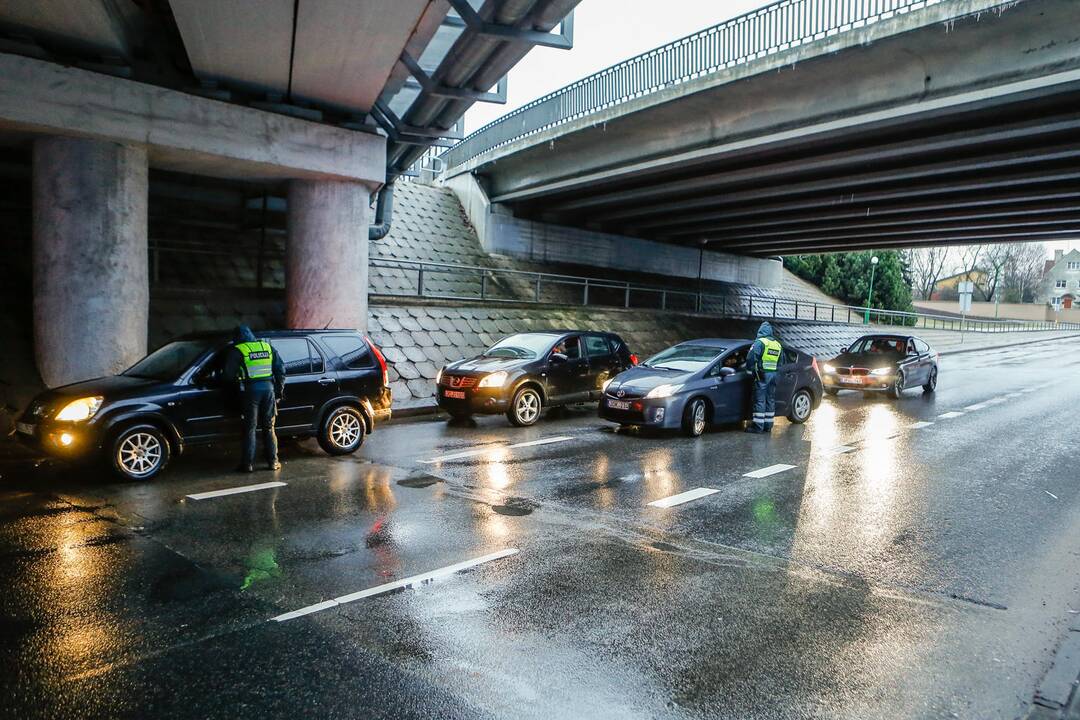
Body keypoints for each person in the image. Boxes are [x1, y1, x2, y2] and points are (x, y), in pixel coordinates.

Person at [223, 325, 285, 472]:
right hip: (268, 390)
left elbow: (227, 376)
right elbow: (280, 371)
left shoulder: (238, 350)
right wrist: (279, 392)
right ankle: (273, 462)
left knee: (250, 428)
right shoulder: (267, 347)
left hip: (250, 391)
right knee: (269, 427)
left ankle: (247, 464)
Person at [745, 321, 783, 434]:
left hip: (762, 375)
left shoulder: (760, 342)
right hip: (774, 375)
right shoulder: (777, 344)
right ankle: (768, 426)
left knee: (760, 400)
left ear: (760, 331)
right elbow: (781, 363)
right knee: (770, 400)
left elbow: (751, 358)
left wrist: (750, 371)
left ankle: (758, 427)